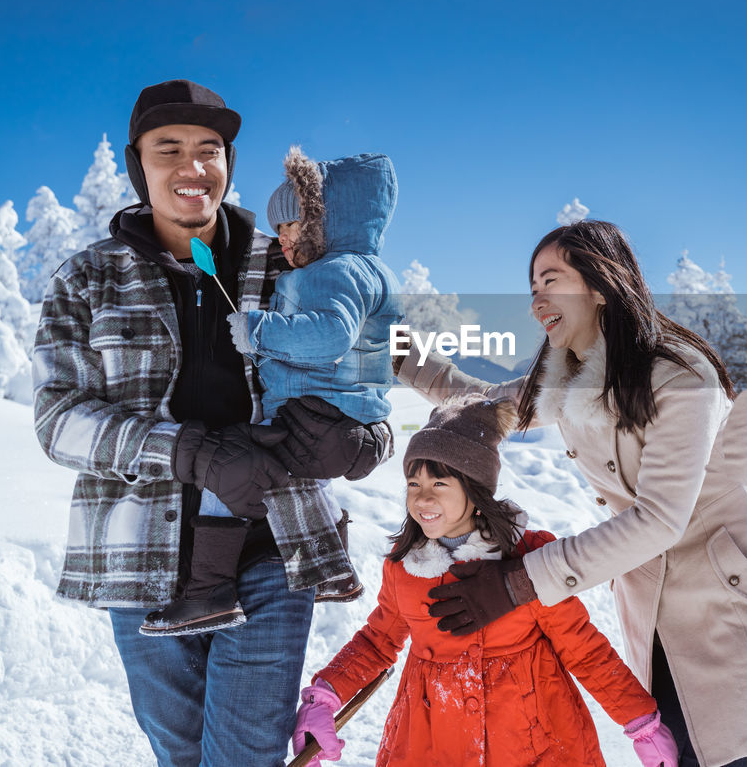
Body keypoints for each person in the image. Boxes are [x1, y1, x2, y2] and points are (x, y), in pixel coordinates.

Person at [393, 220, 747, 767]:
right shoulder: (570, 381)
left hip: (728, 596)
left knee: (713, 753)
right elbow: (479, 402)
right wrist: (395, 350)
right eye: (532, 290)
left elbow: (660, 518)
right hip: (660, 604)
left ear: (599, 285)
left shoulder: (680, 376)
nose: (536, 302)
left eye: (551, 282)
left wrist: (521, 583)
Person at [33, 79, 356, 766]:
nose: (192, 166)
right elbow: (59, 419)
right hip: (141, 561)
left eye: (209, 149)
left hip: (271, 548)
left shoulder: (287, 265)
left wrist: (359, 439)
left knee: (241, 756)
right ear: (137, 164)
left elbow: (366, 373)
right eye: (168, 148)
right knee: (181, 755)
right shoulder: (85, 279)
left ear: (229, 164)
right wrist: (192, 453)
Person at [290, 394, 679, 767]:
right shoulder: (405, 570)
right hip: (432, 743)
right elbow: (377, 642)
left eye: (439, 485)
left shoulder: (530, 560)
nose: (423, 499)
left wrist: (641, 723)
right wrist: (324, 696)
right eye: (414, 484)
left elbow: (584, 649)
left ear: (475, 490)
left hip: (535, 741)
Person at [142, 147, 402, 635]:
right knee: (288, 476)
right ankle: (334, 570)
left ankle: (208, 594)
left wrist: (262, 331)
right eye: (278, 227)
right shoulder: (371, 270)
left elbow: (329, 337)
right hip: (341, 423)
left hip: (321, 417)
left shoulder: (332, 272)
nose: (281, 238)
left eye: (293, 225)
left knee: (233, 465)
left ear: (329, 224)